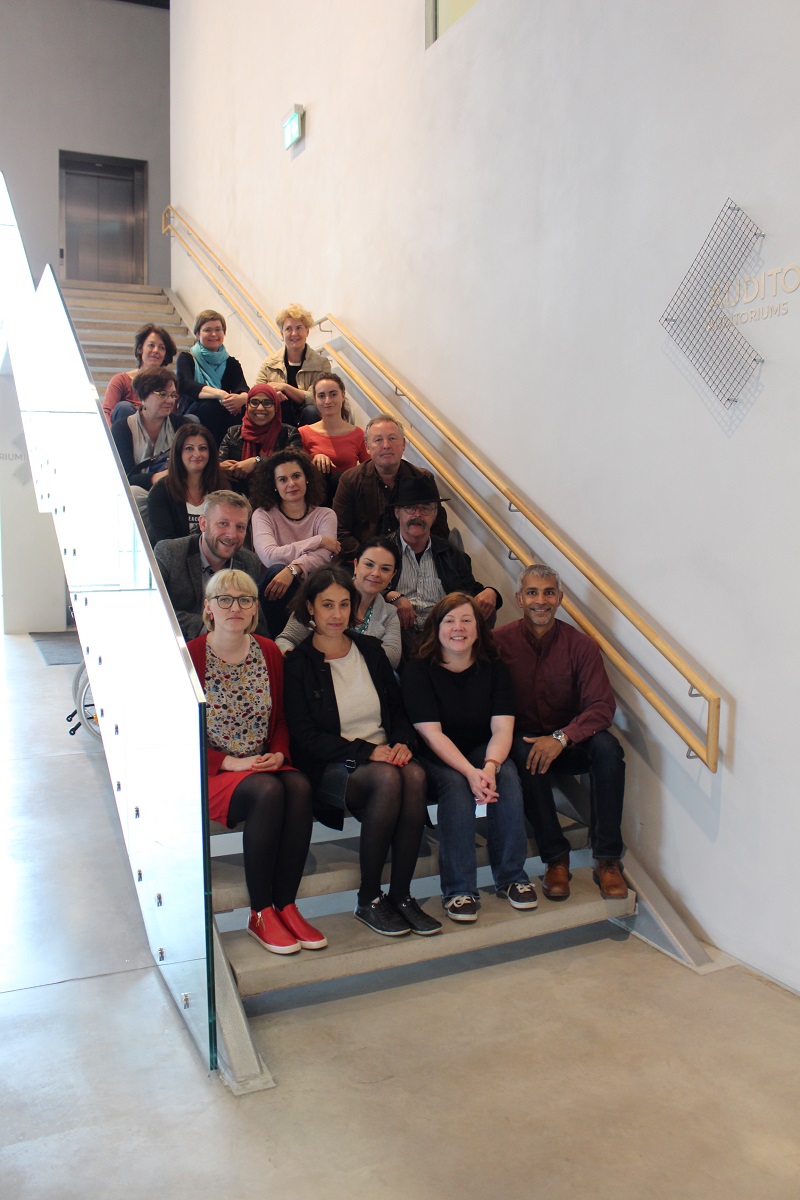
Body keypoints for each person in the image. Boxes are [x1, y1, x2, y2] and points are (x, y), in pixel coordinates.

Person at [283, 567, 440, 937]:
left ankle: (401, 896)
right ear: (310, 608)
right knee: (388, 777)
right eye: (327, 605)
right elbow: (305, 736)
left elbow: (398, 710)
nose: (336, 614)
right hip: (334, 767)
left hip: (384, 755)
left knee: (415, 773)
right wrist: (367, 752)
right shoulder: (299, 664)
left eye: (343, 604)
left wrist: (403, 742)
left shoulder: (369, 649)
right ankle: (368, 898)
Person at [187, 569, 325, 956]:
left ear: (254, 610)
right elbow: (177, 732)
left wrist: (279, 752)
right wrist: (227, 762)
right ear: (208, 608)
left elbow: (281, 718)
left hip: (262, 763)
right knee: (268, 791)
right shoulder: (190, 657)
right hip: (216, 773)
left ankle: (287, 905)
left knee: (297, 785)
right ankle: (260, 912)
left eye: (245, 600)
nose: (235, 607)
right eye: (224, 599)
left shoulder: (268, 651)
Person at [494, 563, 627, 900]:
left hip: (570, 741)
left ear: (560, 598)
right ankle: (556, 857)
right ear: (519, 599)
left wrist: (561, 738)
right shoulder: (497, 643)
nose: (541, 600)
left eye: (549, 592)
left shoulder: (581, 646)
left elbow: (601, 707)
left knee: (609, 749)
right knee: (528, 754)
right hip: (523, 741)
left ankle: (608, 860)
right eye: (532, 592)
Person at [402, 593, 537, 923]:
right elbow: (432, 735)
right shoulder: (419, 669)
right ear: (437, 628)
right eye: (449, 621)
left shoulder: (494, 668)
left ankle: (511, 878)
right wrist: (469, 772)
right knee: (454, 785)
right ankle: (459, 889)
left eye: (466, 620)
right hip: (434, 751)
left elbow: (503, 729)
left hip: (480, 746)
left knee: (506, 776)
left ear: (479, 629)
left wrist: (489, 767)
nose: (458, 628)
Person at [384, 475, 502, 655]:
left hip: (443, 636)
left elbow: (471, 591)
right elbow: (360, 586)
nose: (417, 515)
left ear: (435, 514)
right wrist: (392, 597)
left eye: (425, 509)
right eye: (410, 508)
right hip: (398, 634)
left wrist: (492, 592)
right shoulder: (382, 550)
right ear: (397, 512)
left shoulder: (452, 554)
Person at [154, 490, 266, 640]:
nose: (231, 535)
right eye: (223, 524)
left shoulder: (249, 562)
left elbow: (256, 619)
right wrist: (213, 626)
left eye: (240, 527)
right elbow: (154, 609)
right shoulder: (170, 553)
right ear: (203, 523)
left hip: (231, 649)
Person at [250, 449, 339, 638]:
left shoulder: (325, 515)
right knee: (276, 570)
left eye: (296, 476)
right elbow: (269, 556)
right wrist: (319, 540)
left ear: (307, 478)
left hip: (313, 588)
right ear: (274, 485)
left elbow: (324, 557)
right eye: (282, 479)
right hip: (274, 593)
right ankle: (278, 642)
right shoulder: (262, 514)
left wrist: (293, 569)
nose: (291, 484)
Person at [333, 415, 450, 558]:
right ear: (367, 447)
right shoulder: (350, 480)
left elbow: (438, 527)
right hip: (363, 559)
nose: (386, 445)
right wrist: (370, 559)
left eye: (392, 438)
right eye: (378, 440)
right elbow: (341, 531)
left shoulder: (422, 478)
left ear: (404, 445)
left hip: (412, 557)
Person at [276, 537, 402, 669]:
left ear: (393, 575)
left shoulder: (389, 613)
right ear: (356, 565)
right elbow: (286, 640)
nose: (376, 573)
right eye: (369, 565)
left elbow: (392, 658)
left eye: (385, 569)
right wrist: (292, 656)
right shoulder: (323, 593)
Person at [110, 368, 190, 523]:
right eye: (163, 394)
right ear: (144, 396)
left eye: (173, 395)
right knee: (133, 494)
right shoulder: (122, 428)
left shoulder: (182, 426)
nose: (170, 400)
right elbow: (126, 478)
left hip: (175, 490)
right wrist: (157, 477)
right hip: (142, 493)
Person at [176, 309, 249, 446]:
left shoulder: (231, 362)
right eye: (207, 330)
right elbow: (186, 384)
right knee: (210, 405)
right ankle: (211, 454)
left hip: (221, 409)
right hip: (194, 411)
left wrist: (240, 398)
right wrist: (220, 394)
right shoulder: (187, 358)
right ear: (197, 334)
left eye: (218, 329)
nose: (214, 334)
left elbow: (243, 387)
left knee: (238, 408)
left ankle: (232, 455)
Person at [147, 423, 223, 545]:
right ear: (178, 453)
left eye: (203, 448)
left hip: (215, 561)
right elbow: (166, 543)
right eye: (189, 448)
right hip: (175, 560)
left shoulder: (222, 488)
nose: (197, 454)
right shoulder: (160, 492)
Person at [255, 303, 329, 426]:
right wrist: (272, 395)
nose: (294, 333)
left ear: (307, 331)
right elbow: (257, 393)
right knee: (280, 404)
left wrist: (285, 387)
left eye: (299, 328)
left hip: (309, 420)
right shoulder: (269, 363)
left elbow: (315, 398)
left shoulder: (322, 364)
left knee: (312, 411)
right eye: (288, 329)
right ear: (282, 334)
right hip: (278, 419)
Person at [218, 382, 301, 492]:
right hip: (239, 497)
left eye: (267, 403)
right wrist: (220, 468)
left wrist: (257, 461)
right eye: (254, 402)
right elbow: (219, 462)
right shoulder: (233, 433)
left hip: (278, 496)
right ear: (247, 406)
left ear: (276, 407)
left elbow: (294, 463)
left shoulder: (289, 433)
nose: (260, 408)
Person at [298, 374, 368, 502]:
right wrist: (313, 461)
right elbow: (296, 472)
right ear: (315, 399)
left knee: (340, 478)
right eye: (321, 396)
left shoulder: (359, 434)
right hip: (315, 499)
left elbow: (369, 473)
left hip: (348, 500)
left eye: (333, 394)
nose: (327, 401)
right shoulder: (303, 433)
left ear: (343, 395)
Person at [102, 322, 178, 426]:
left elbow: (171, 416)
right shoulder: (121, 380)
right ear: (140, 348)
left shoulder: (170, 385)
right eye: (151, 345)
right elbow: (106, 412)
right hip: (127, 435)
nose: (156, 350)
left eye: (161, 347)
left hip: (158, 434)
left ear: (165, 355)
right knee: (124, 407)